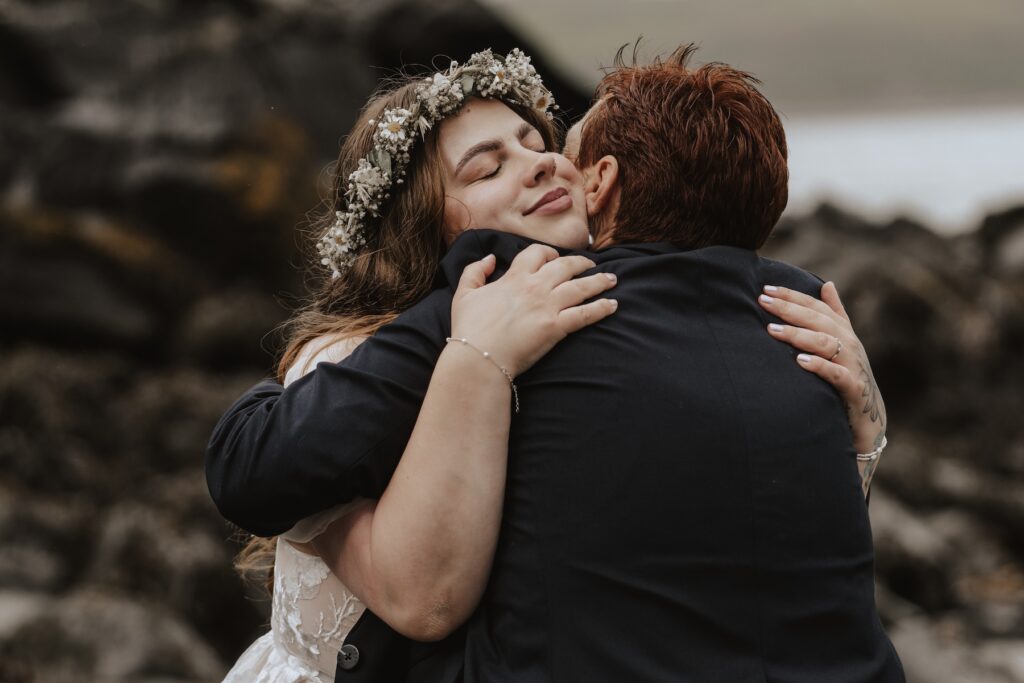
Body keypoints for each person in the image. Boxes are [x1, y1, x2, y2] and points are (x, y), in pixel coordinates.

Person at [209, 46, 897, 682]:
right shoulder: (366, 354)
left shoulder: (595, 318)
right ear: (422, 224)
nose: (537, 162)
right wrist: (478, 355)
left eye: (540, 144)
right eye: (488, 165)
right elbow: (419, 600)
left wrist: (860, 441)